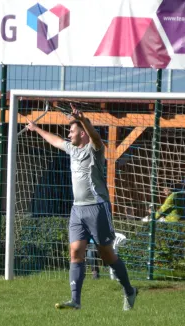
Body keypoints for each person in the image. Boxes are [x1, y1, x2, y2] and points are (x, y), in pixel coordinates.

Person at [26, 104, 138, 311]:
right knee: (75, 251)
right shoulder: (71, 149)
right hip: (77, 209)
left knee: (106, 255)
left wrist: (84, 120)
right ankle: (75, 301)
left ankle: (129, 291)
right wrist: (36, 129)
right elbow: (57, 141)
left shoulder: (94, 149)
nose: (68, 134)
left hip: (97, 207)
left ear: (82, 133)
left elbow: (95, 136)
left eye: (72, 130)